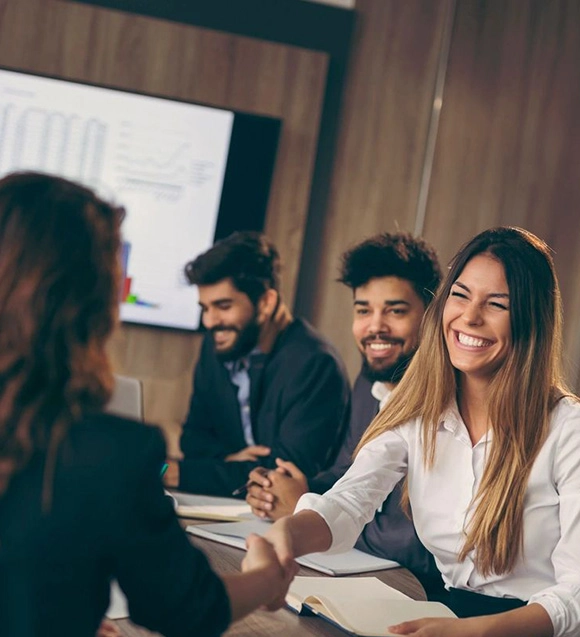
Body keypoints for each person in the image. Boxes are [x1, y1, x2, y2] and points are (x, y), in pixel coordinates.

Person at [0, 172, 295, 637]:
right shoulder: (109, 453)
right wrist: (268, 578)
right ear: (90, 303)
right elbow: (186, 608)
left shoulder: (306, 360)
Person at [263, 226, 580, 637]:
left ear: (530, 319)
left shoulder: (568, 429)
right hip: (446, 614)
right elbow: (348, 503)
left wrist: (474, 632)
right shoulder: (416, 408)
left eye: (496, 304)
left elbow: (576, 594)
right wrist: (282, 538)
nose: (469, 316)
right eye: (460, 295)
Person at [246, 232, 444, 592]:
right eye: (363, 310)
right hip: (365, 575)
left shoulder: (449, 398)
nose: (375, 326)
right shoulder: (371, 377)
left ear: (432, 315)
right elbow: (348, 471)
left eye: (396, 311)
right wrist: (288, 490)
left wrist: (304, 510)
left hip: (421, 590)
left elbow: (417, 545)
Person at [164, 231, 350, 496]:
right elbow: (194, 440)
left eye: (223, 306)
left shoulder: (316, 364)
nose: (210, 321)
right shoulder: (216, 345)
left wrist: (182, 473)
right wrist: (232, 462)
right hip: (226, 508)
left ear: (266, 302)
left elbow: (286, 473)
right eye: (205, 308)